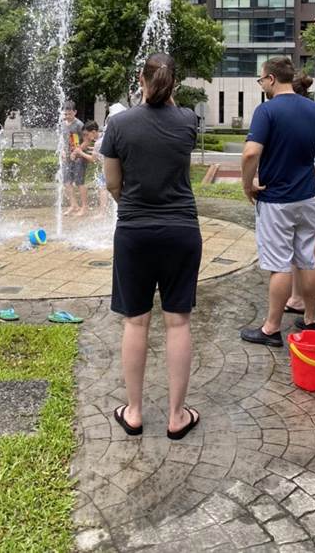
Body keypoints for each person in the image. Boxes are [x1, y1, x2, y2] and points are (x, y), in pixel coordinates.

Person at [102, 53, 202, 440]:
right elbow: (172, 116)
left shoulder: (118, 124)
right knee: (177, 321)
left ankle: (135, 412)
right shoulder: (188, 121)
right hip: (181, 230)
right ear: (174, 83)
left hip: (134, 231)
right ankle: (178, 416)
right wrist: (166, 93)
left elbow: (113, 183)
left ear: (139, 79)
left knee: (136, 321)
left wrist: (131, 206)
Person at [240, 57, 315, 347]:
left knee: (280, 266)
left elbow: (251, 153)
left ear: (272, 79)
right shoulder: (313, 109)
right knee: (306, 259)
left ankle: (271, 328)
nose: (262, 84)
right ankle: (310, 319)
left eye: (261, 79)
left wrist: (247, 184)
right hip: (308, 199)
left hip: (277, 200)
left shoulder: (267, 110)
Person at [283, 74, 315, 315]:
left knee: (301, 243)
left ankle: (297, 298)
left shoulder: (295, 117)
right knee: (312, 241)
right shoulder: (313, 113)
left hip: (300, 185)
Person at [61, 101, 85, 216]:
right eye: (65, 114)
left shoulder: (79, 125)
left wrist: (76, 152)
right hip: (67, 157)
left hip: (79, 157)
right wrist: (62, 150)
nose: (67, 116)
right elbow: (63, 140)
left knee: (79, 182)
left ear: (75, 112)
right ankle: (73, 205)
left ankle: (84, 207)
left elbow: (86, 141)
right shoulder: (63, 124)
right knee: (66, 181)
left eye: (69, 114)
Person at [70, 120, 100, 217]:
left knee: (104, 187)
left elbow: (93, 159)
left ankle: (86, 208)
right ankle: (102, 211)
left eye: (87, 135)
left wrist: (79, 153)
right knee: (103, 187)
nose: (86, 138)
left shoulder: (98, 142)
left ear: (94, 132)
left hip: (108, 165)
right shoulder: (98, 141)